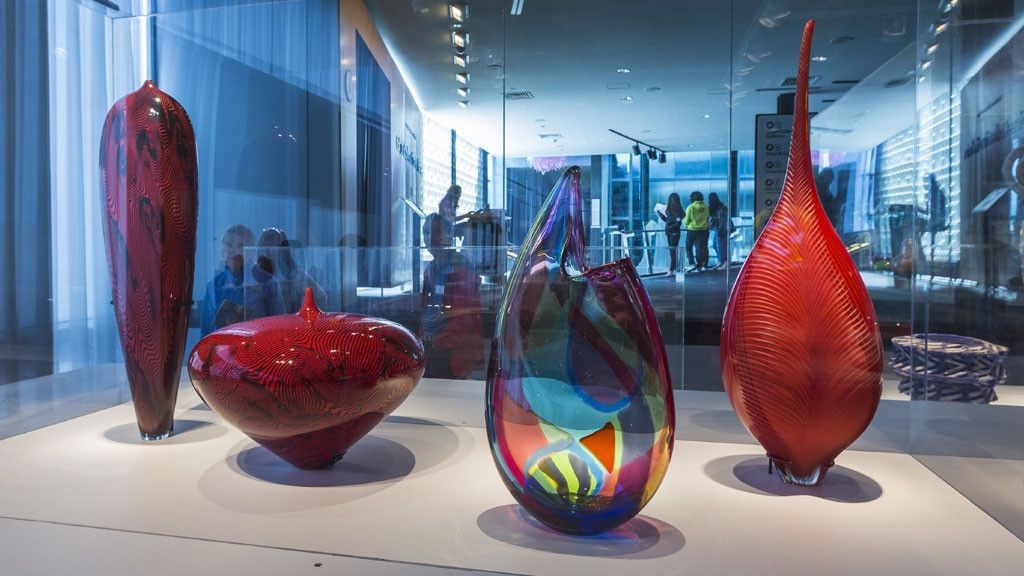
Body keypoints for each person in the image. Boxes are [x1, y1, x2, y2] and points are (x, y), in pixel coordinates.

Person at [420, 213, 484, 379]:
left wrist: (437, 342)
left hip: (450, 353)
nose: (430, 238)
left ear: (449, 236)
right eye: (426, 232)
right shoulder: (430, 269)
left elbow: (464, 319)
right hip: (432, 347)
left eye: (436, 232)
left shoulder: (461, 267)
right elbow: (425, 308)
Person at [248, 227, 326, 317]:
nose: (268, 251)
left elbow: (321, 297)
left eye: (273, 246)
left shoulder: (296, 274)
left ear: (283, 249)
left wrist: (304, 313)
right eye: (265, 246)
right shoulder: (254, 274)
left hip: (291, 326)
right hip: (263, 325)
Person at [200, 224, 255, 335]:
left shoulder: (265, 281)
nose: (233, 250)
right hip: (222, 349)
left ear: (251, 251)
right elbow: (206, 332)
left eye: (240, 245)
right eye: (229, 245)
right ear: (222, 250)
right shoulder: (213, 286)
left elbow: (278, 325)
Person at [658, 193, 685, 273]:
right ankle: (674, 268)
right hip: (670, 232)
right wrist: (661, 215)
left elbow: (678, 223)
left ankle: (672, 269)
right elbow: (668, 221)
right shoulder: (670, 209)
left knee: (673, 251)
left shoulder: (677, 210)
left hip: (673, 232)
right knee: (672, 251)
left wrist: (670, 226)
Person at [684, 191, 710, 272]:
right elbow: (707, 218)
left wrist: (687, 224)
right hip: (704, 230)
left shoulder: (691, 207)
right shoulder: (706, 207)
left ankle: (692, 264)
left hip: (692, 230)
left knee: (688, 247)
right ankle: (703, 265)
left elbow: (687, 220)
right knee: (702, 248)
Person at [707, 192, 730, 270]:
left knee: (722, 246)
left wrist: (720, 230)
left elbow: (722, 221)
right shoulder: (718, 207)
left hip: (722, 229)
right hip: (718, 229)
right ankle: (720, 261)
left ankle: (724, 262)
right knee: (715, 245)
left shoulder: (720, 208)